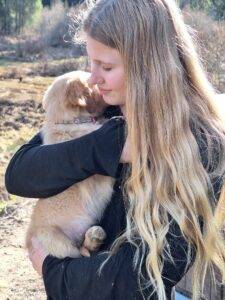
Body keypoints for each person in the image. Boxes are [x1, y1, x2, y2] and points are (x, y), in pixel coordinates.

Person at [5, 0, 225, 299]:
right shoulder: (104, 111)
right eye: (91, 63)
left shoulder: (201, 143)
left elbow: (143, 277)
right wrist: (105, 147)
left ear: (148, 67)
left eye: (106, 66)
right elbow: (20, 174)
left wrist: (52, 270)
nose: (93, 79)